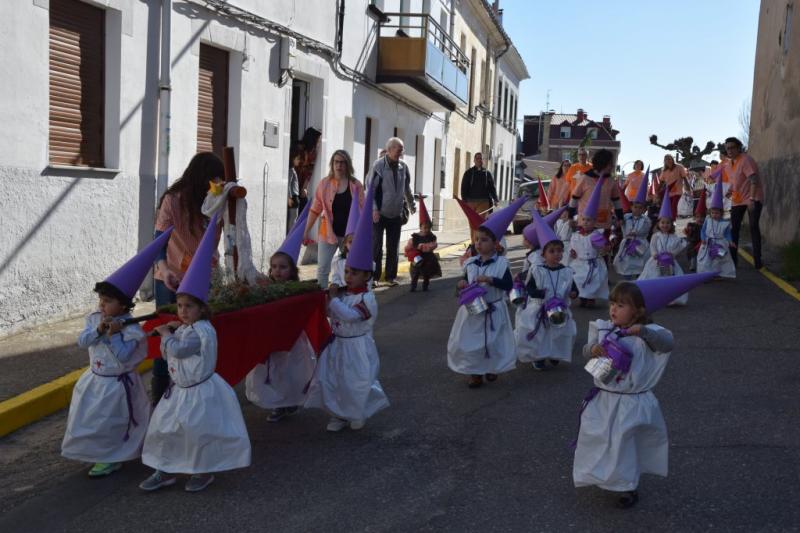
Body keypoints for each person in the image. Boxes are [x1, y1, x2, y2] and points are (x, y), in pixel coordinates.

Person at [141, 214, 251, 492]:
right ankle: (164, 469)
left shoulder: (201, 331)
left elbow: (178, 349)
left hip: (199, 394)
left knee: (197, 434)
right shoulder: (191, 327)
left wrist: (166, 334)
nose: (182, 311)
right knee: (166, 429)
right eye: (179, 306)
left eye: (189, 306)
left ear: (202, 309)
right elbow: (182, 336)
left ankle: (202, 471)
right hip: (180, 391)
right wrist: (176, 327)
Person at [61, 232, 170, 477]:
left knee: (113, 421)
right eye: (101, 300)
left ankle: (113, 456)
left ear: (122, 305)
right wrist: (99, 330)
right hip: (95, 380)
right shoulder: (94, 319)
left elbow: (123, 356)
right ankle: (99, 451)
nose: (102, 305)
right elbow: (83, 341)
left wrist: (115, 335)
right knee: (93, 420)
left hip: (117, 386)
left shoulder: (131, 330)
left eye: (108, 301)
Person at [304, 182, 389, 431]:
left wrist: (333, 302)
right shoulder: (343, 294)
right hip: (338, 344)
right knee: (335, 379)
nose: (348, 276)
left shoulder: (367, 299)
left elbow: (352, 317)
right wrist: (327, 302)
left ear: (368, 276)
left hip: (357, 348)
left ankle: (356, 410)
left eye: (354, 273)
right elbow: (333, 314)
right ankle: (338, 413)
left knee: (356, 381)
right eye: (348, 271)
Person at [153, 152, 225, 405]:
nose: (217, 183)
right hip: (170, 278)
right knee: (167, 338)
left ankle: (193, 395)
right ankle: (160, 401)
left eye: (220, 179)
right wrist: (164, 267)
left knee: (198, 338)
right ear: (200, 178)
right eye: (213, 178)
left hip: (202, 280)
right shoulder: (173, 200)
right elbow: (158, 239)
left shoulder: (218, 199)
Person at [245, 206, 317, 422]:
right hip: (272, 340)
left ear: (292, 270)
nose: (277, 271)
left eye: (283, 267)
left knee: (291, 374)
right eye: (274, 267)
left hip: (292, 341)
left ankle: (291, 402)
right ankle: (277, 405)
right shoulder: (266, 289)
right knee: (274, 374)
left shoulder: (298, 291)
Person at [446, 198, 525, 388]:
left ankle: (491, 367)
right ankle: (474, 373)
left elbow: (507, 285)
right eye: (476, 240)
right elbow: (460, 286)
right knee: (471, 343)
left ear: (495, 243)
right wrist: (461, 284)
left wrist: (490, 280)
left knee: (493, 342)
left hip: (494, 310)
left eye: (484, 240)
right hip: (472, 312)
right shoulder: (471, 264)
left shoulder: (501, 264)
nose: (479, 244)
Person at [515, 213, 578, 370]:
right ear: (543, 254)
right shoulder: (537, 270)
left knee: (559, 332)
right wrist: (539, 293)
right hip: (540, 307)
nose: (556, 254)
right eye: (552, 251)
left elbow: (573, 286)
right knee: (540, 334)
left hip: (559, 308)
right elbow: (529, 287)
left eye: (559, 251)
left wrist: (574, 293)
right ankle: (540, 356)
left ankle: (555, 353)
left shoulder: (566, 270)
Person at [303, 150, 365, 288]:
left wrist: (365, 233)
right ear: (332, 164)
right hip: (328, 233)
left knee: (352, 269)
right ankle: (322, 299)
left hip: (350, 236)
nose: (339, 165)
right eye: (336, 162)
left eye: (342, 162)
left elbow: (363, 210)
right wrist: (306, 231)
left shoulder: (356, 185)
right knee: (323, 269)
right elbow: (315, 209)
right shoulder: (324, 184)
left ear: (347, 164)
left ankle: (350, 299)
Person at [367, 137, 416, 287]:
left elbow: (406, 187)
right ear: (389, 150)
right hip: (379, 213)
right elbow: (371, 190)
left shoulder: (403, 166)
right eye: (398, 149)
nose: (401, 152)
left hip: (396, 213)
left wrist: (411, 203)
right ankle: (374, 277)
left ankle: (390, 277)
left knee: (393, 247)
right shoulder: (378, 166)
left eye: (402, 150)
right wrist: (374, 209)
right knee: (376, 245)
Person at [637, 190, 688, 305]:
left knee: (670, 279)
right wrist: (654, 254)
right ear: (658, 224)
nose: (665, 225)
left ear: (671, 224)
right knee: (654, 278)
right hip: (656, 261)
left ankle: (670, 298)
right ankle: (654, 295)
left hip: (670, 262)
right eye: (663, 223)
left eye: (668, 223)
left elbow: (679, 246)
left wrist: (673, 254)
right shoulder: (656, 236)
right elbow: (653, 246)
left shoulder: (674, 236)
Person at [570, 177, 611, 308]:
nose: (586, 222)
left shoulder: (595, 235)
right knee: (579, 278)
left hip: (593, 263)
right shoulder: (577, 235)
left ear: (594, 222)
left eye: (589, 220)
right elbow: (574, 246)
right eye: (584, 220)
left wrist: (604, 248)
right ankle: (582, 296)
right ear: (580, 221)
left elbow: (603, 247)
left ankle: (591, 298)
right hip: (580, 262)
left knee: (593, 281)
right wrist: (572, 252)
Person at [723, 137, 763, 270]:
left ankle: (758, 261)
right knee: (734, 230)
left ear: (738, 148)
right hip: (737, 200)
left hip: (752, 197)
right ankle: (733, 262)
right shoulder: (728, 165)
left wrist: (751, 199)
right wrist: (729, 191)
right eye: (727, 148)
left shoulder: (746, 160)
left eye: (732, 147)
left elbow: (753, 179)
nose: (730, 150)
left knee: (753, 227)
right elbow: (735, 182)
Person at [569, 149, 624, 231]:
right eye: (610, 164)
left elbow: (616, 201)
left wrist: (620, 217)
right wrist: (570, 217)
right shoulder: (584, 178)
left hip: (604, 224)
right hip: (585, 224)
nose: (612, 166)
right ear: (602, 163)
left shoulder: (611, 180)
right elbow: (574, 199)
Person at [697, 178, 736, 279]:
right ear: (710, 212)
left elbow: (727, 233)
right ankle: (706, 274)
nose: (715, 215)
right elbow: (703, 230)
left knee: (719, 259)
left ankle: (718, 274)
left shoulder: (725, 223)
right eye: (713, 213)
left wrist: (730, 241)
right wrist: (703, 239)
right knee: (707, 259)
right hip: (708, 242)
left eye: (717, 213)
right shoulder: (708, 219)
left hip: (720, 243)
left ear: (721, 213)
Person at [613, 180, 652, 279]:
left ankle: (640, 282)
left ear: (644, 209)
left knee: (641, 265)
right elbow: (617, 223)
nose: (637, 209)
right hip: (627, 244)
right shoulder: (626, 217)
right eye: (635, 207)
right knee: (627, 265)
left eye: (640, 208)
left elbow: (645, 229)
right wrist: (619, 222)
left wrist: (636, 233)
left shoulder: (646, 219)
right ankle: (628, 283)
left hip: (640, 244)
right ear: (631, 207)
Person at [404, 197, 441, 292]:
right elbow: (410, 245)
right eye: (424, 227)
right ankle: (413, 286)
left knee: (426, 273)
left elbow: (434, 245)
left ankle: (425, 285)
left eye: (428, 228)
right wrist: (408, 250)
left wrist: (426, 247)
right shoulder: (415, 237)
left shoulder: (431, 236)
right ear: (420, 227)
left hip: (428, 259)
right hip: (417, 258)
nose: (426, 230)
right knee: (415, 273)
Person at [658, 155, 690, 222]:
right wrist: (657, 191)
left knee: (673, 206)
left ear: (672, 159)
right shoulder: (664, 170)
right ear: (664, 162)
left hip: (678, 191)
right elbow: (661, 182)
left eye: (669, 159)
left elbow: (684, 178)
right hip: (668, 193)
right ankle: (668, 220)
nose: (668, 161)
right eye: (666, 160)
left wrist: (688, 188)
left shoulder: (679, 167)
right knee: (668, 207)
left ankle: (673, 221)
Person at [683, 190, 706, 272]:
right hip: (693, 242)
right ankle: (693, 263)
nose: (700, 219)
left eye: (702, 217)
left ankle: (702, 264)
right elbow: (688, 234)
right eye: (698, 217)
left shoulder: (706, 226)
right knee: (691, 249)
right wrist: (687, 232)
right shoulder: (692, 225)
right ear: (695, 218)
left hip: (703, 242)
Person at [286, 150, 303, 233]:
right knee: (292, 221)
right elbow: (288, 184)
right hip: (293, 197)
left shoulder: (292, 170)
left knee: (293, 220)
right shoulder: (291, 170)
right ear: (293, 159)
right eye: (297, 159)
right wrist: (289, 197)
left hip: (294, 197)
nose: (299, 161)